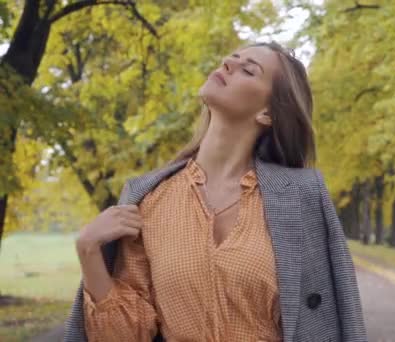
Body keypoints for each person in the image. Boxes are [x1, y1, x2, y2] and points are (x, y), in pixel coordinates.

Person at [63, 41, 367, 342]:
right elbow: (128, 335)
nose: (228, 65)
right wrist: (88, 251)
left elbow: (337, 317)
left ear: (267, 113)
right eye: (230, 60)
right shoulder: (149, 198)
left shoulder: (303, 194)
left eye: (248, 70)